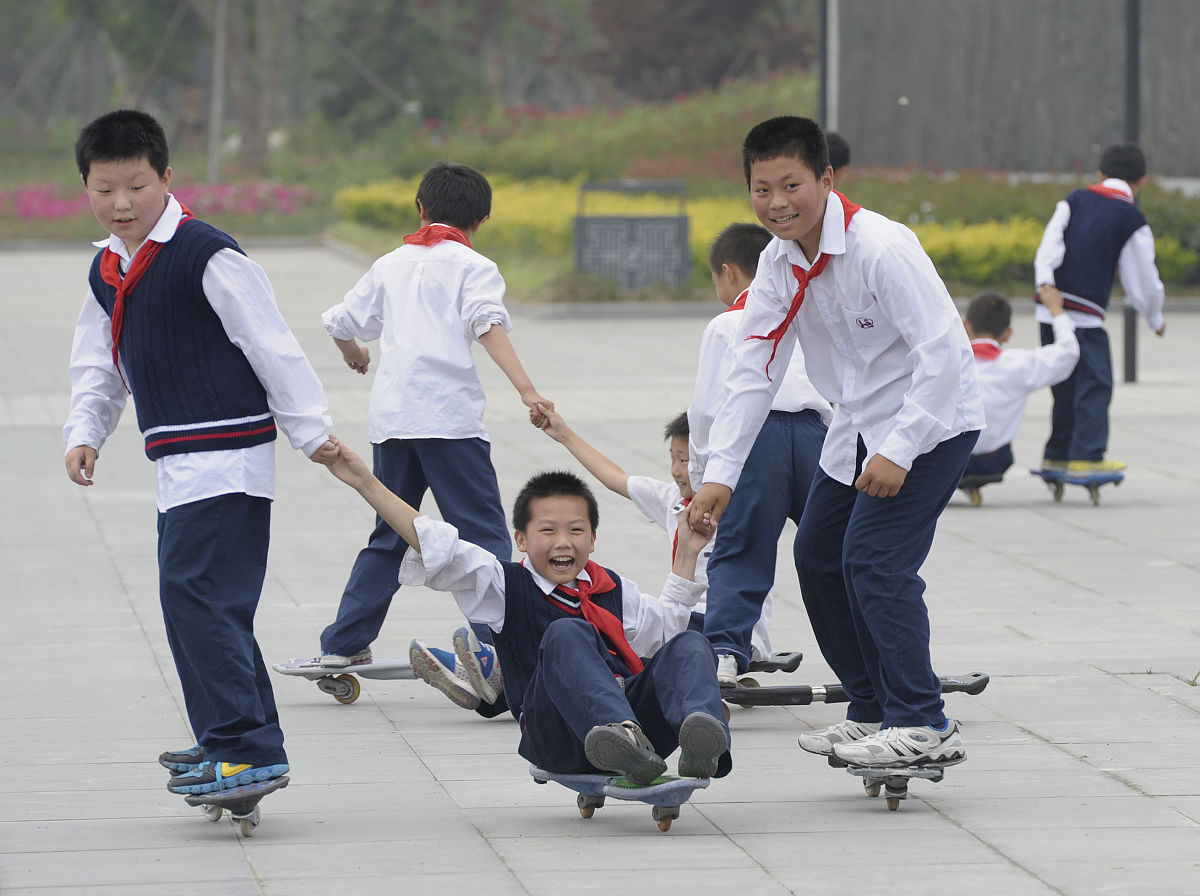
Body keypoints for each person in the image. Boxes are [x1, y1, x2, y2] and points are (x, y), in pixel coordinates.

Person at [688, 116, 984, 770]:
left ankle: (924, 720)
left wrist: (900, 449)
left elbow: (942, 355)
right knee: (820, 556)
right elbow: (753, 367)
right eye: (761, 190)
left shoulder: (881, 248)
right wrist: (720, 474)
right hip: (853, 426)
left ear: (826, 179)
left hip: (930, 420)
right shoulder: (779, 262)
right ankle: (873, 706)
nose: (777, 203)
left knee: (875, 563)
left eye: (791, 184)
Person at [63, 110, 335, 795]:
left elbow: (269, 343)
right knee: (201, 601)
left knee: (199, 600)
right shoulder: (108, 269)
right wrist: (85, 431)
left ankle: (243, 747)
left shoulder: (206, 253)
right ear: (86, 188)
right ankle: (235, 738)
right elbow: (99, 363)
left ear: (166, 179)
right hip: (180, 463)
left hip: (228, 455)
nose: (120, 203)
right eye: (103, 189)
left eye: (135, 185)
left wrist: (311, 430)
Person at [321, 437, 733, 783]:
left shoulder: (612, 589)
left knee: (692, 642)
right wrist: (365, 482)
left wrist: (689, 554)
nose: (563, 542)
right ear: (520, 539)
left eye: (575, 530)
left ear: (593, 538)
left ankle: (702, 735)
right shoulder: (504, 585)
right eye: (547, 531)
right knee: (568, 632)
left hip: (643, 740)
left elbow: (665, 636)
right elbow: (437, 543)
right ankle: (620, 736)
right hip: (555, 731)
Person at [316, 163, 552, 717]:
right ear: (482, 219)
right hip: (449, 424)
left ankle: (343, 642)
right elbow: (487, 325)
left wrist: (352, 351)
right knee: (481, 534)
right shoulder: (475, 266)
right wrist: (527, 390)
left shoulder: (390, 264)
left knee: (391, 530)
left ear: (419, 208)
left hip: (394, 420)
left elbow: (339, 320)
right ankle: (502, 649)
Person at [689, 223, 831, 684]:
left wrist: (703, 477)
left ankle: (727, 651)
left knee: (741, 547)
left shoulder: (727, 323)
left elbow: (708, 407)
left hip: (754, 438)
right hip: (817, 434)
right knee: (841, 548)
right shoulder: (806, 312)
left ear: (728, 272)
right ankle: (877, 651)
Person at [534, 407, 773, 663]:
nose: (676, 470)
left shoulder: (741, 508)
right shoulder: (674, 500)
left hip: (730, 627)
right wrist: (564, 434)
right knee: (609, 618)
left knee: (628, 636)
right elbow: (615, 478)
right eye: (673, 458)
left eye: (685, 460)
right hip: (681, 619)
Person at [1033, 142, 1166, 474]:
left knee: (1063, 383)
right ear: (1142, 181)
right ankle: (1087, 455)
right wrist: (1154, 316)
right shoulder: (1131, 218)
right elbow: (1142, 278)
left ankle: (1058, 452)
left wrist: (1045, 282)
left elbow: (1050, 242)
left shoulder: (1074, 199)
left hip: (1049, 307)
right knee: (1095, 382)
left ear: (1100, 173)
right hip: (1085, 313)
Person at [961, 290, 1079, 482]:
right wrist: (1057, 311)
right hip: (992, 461)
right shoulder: (1018, 364)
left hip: (945, 460)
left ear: (966, 327)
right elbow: (1068, 353)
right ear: (1007, 334)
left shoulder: (950, 362)